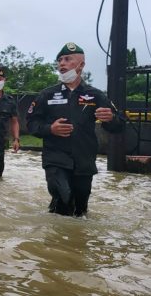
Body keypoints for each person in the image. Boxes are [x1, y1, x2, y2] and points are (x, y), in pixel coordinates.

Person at [26, 42, 124, 217]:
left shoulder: (96, 95)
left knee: (80, 210)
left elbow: (118, 126)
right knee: (64, 197)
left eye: (67, 59)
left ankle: (72, 240)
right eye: (60, 60)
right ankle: (56, 241)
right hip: (56, 159)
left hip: (84, 161)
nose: (61, 63)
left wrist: (111, 119)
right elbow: (31, 123)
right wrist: (50, 129)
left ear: (81, 65)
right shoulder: (47, 95)